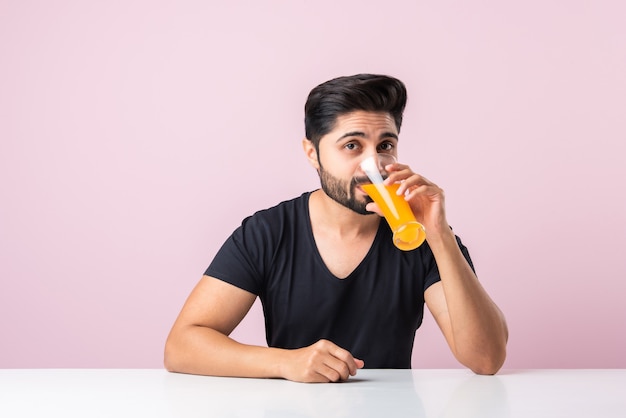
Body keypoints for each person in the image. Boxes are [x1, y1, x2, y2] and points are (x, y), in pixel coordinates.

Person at [164, 74, 508, 383]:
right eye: (352, 145)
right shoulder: (268, 233)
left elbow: (486, 359)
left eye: (385, 145)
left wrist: (440, 234)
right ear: (312, 154)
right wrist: (285, 363)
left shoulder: (422, 238)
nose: (373, 164)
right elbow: (182, 346)